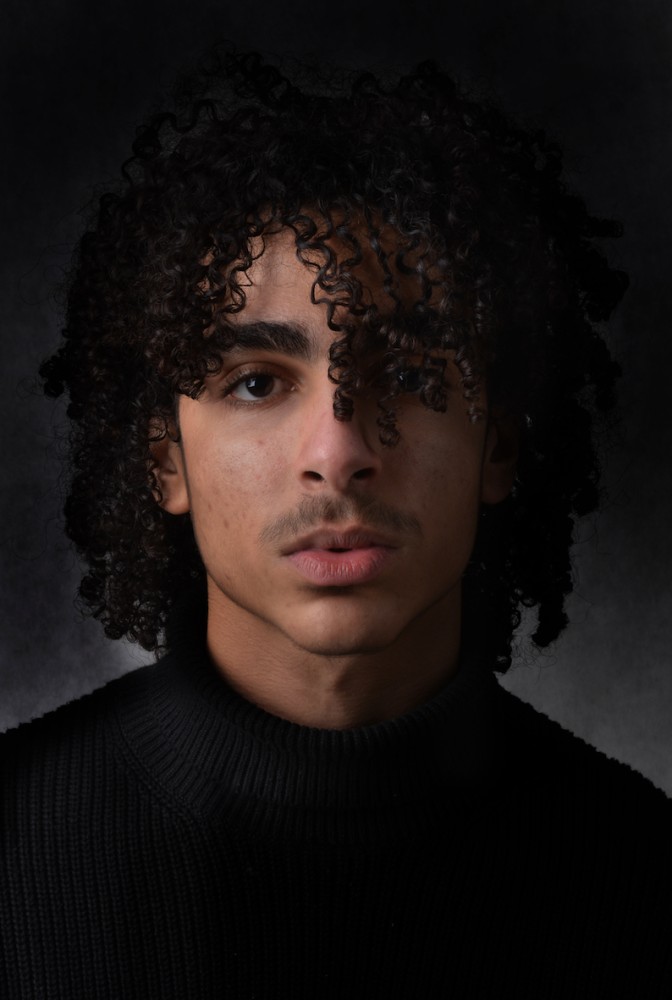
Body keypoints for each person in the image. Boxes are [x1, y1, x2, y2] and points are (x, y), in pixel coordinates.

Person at [1, 49, 670, 998]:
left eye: (409, 376)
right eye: (257, 383)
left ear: (499, 446)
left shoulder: (645, 874)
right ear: (164, 460)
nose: (339, 450)